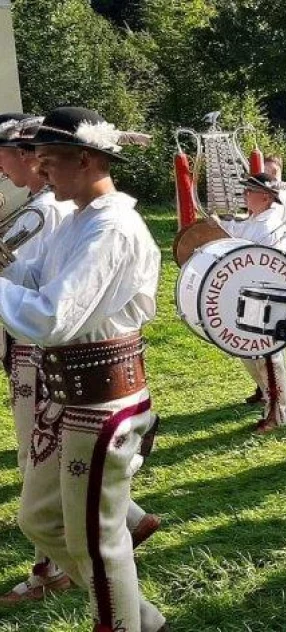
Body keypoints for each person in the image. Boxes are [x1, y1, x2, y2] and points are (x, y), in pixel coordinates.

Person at [0, 106, 166, 631]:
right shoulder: (75, 220)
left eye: (50, 161)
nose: (40, 170)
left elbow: (52, 316)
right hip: (67, 394)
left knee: (96, 538)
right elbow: (30, 276)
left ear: (89, 159)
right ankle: (139, 616)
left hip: (103, 400)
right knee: (41, 518)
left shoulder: (113, 228)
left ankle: (122, 622)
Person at [220, 172, 286, 431]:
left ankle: (277, 412)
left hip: (266, 296)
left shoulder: (269, 224)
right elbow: (238, 229)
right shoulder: (258, 218)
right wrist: (217, 222)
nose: (244, 196)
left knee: (268, 356)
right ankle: (281, 404)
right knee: (251, 353)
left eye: (248, 192)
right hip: (251, 295)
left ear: (265, 197)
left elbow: (258, 255)